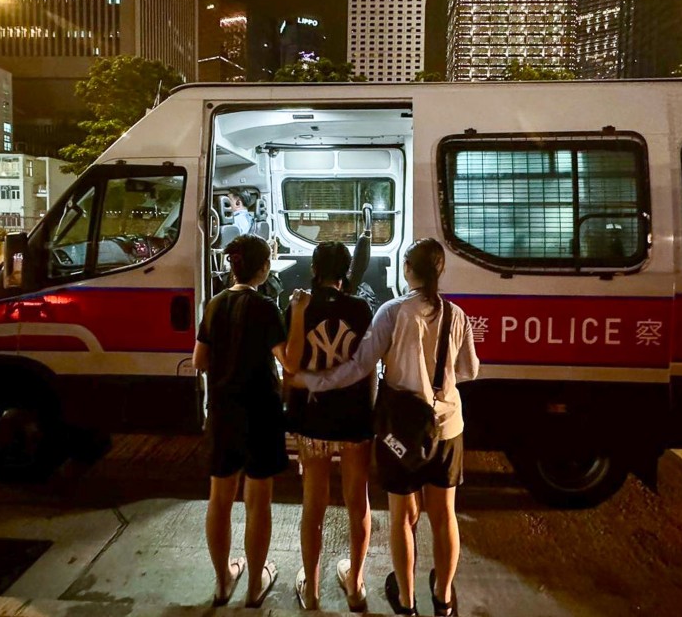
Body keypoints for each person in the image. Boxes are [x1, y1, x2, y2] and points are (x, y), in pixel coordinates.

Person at [294, 238, 479, 616]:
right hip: (446, 428)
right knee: (444, 516)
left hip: (400, 430)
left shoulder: (393, 312)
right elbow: (469, 371)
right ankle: (443, 598)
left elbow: (360, 366)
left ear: (408, 269)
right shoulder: (457, 314)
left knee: (400, 515)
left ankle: (407, 602)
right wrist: (437, 380)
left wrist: (315, 382)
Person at [193, 234, 295, 608]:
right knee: (258, 502)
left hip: (222, 413)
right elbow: (287, 361)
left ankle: (222, 582)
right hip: (261, 415)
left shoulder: (214, 304)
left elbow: (198, 361)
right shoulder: (267, 308)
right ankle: (254, 586)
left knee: (219, 500)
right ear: (264, 268)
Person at [285, 242, 374, 611]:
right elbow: (368, 367)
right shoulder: (361, 308)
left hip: (312, 419)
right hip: (354, 419)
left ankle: (312, 588)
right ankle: (355, 585)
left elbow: (291, 365)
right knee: (358, 504)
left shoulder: (298, 306)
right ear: (346, 272)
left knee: (313, 505)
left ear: (314, 268)